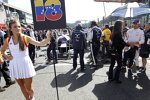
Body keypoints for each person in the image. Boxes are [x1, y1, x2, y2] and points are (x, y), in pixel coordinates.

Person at [1, 19, 52, 100]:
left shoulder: (25, 38)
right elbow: (2, 51)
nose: (18, 28)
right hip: (15, 65)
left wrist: (48, 37)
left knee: (29, 88)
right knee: (22, 86)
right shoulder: (8, 40)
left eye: (19, 26)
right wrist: (7, 56)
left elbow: (40, 43)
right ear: (10, 29)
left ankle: (32, 97)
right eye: (15, 27)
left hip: (25, 64)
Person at [0, 27, 15, 92]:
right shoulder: (1, 34)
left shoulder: (1, 33)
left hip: (1, 52)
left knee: (4, 66)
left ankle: (8, 80)